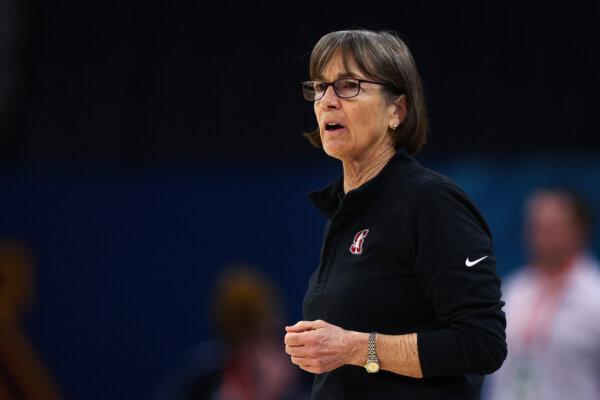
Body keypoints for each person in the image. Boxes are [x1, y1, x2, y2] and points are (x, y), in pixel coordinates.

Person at [284, 29, 507, 399]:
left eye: (348, 85)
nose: (327, 101)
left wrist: (354, 347)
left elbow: (481, 343)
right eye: (319, 87)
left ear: (397, 111)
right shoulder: (346, 210)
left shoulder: (431, 203)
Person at [488, 189, 600, 400]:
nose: (541, 235)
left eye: (552, 226)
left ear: (579, 230)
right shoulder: (513, 291)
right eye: (535, 226)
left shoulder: (595, 298)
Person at [153, 264, 310, 400]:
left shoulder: (304, 376)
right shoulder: (201, 380)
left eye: (265, 337)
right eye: (243, 340)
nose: (253, 354)